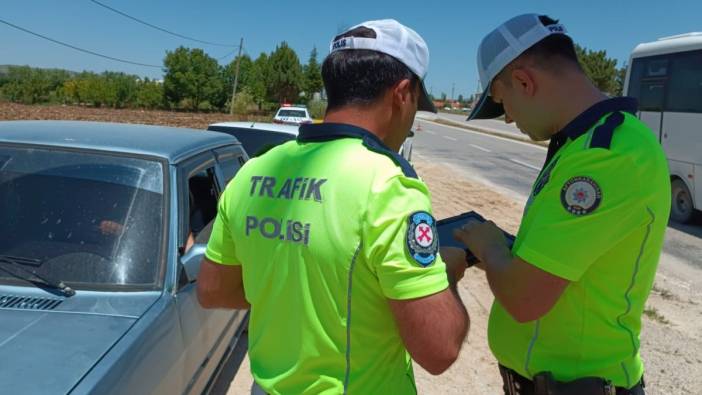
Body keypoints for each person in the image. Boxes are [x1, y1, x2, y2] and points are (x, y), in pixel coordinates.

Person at [197, 19, 470, 394]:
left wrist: (292, 291)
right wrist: (448, 275)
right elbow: (439, 349)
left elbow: (212, 290)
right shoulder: (387, 184)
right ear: (402, 93)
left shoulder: (253, 172)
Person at [454, 14, 670, 395]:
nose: (507, 118)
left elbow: (524, 298)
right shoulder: (580, 145)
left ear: (524, 81)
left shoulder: (608, 155)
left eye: (504, 103)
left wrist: (487, 247)